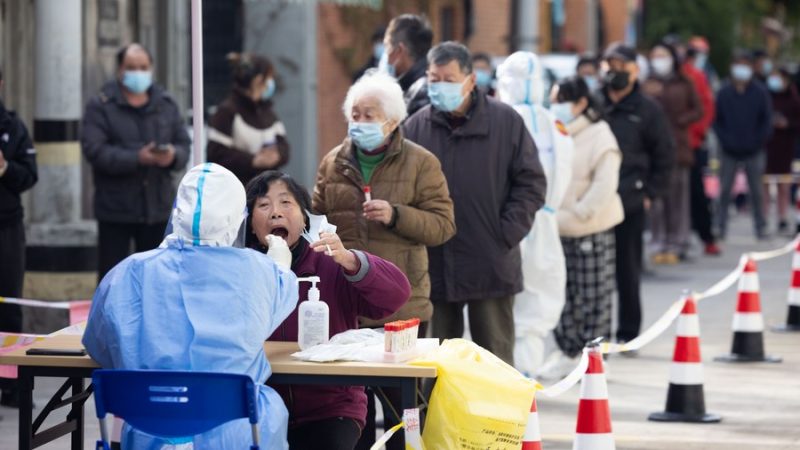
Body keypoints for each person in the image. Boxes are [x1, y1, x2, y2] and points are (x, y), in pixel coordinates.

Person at [83, 163, 298, 449]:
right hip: (237, 434)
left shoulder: (127, 273)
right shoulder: (260, 272)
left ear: (176, 212)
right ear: (237, 219)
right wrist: (281, 266)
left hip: (151, 432)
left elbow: (101, 349)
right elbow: (280, 300)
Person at [312, 71, 455, 449]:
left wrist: (397, 215)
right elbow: (315, 219)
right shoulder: (333, 163)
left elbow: (444, 226)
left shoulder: (421, 163)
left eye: (369, 115)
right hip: (348, 308)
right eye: (354, 114)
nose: (359, 123)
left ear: (392, 121)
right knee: (353, 406)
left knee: (401, 411)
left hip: (401, 310)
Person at [403, 41, 547, 365]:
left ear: (470, 80)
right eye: (433, 78)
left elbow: (532, 183)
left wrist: (505, 233)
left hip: (490, 259)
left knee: (494, 358)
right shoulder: (416, 126)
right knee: (435, 362)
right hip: (435, 262)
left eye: (448, 78)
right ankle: (437, 419)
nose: (439, 86)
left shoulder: (505, 121)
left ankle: (498, 418)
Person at [247, 171, 411, 450]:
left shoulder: (330, 262)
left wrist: (350, 260)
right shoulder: (242, 270)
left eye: (286, 203)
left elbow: (397, 295)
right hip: (260, 406)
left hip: (331, 407)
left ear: (305, 218)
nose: (275, 213)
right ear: (250, 225)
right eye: (263, 205)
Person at [536, 76, 624, 379]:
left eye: (561, 99)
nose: (555, 106)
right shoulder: (553, 132)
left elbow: (605, 183)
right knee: (561, 292)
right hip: (555, 228)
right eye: (553, 99)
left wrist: (582, 212)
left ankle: (595, 356)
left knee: (594, 294)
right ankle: (567, 350)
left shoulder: (600, 134)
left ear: (581, 103)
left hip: (590, 226)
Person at [81, 43, 191, 282]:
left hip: (157, 210)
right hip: (116, 211)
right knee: (114, 279)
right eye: (131, 67)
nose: (138, 73)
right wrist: (137, 157)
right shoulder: (101, 106)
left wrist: (172, 156)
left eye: (143, 67)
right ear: (120, 69)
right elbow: (95, 151)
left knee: (157, 280)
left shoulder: (166, 104)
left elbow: (184, 144)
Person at [495, 51, 574, 376]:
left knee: (504, 302)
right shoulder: (555, 124)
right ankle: (527, 369)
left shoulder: (500, 119)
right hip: (544, 221)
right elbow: (566, 170)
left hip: (507, 221)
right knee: (540, 297)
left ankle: (510, 370)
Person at [600, 42, 674, 349]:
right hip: (593, 203)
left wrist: (650, 192)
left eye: (622, 68)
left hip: (630, 200)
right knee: (594, 273)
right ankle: (595, 334)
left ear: (635, 71)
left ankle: (629, 333)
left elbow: (665, 155)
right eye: (610, 67)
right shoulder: (593, 103)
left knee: (626, 271)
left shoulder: (648, 110)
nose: (615, 73)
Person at [643, 42, 704, 264]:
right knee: (657, 198)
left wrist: (682, 121)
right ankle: (658, 241)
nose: (659, 59)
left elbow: (699, 110)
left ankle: (679, 241)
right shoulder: (646, 83)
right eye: (655, 55)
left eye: (663, 55)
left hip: (678, 145)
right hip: (653, 147)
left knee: (678, 196)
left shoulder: (685, 82)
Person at [0, 67, 37, 408]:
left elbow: (29, 175)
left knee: (10, 306)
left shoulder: (13, 128)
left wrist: (4, 169)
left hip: (7, 227)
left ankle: (10, 385)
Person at [713, 50, 773, 240]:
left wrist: (757, 141)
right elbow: (716, 120)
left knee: (756, 191)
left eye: (745, 65)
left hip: (754, 149)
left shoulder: (760, 92)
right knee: (723, 190)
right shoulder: (723, 91)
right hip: (728, 149)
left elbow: (766, 121)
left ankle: (760, 226)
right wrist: (726, 140)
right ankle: (720, 226)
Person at [207, 52, 289, 185]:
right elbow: (216, 153)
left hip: (267, 189)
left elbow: (284, 147)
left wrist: (276, 156)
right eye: (269, 77)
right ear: (258, 80)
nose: (271, 82)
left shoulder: (268, 112)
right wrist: (253, 160)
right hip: (236, 190)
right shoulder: (227, 112)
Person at [684, 38, 720, 256]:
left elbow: (706, 108)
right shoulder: (685, 76)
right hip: (679, 144)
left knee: (696, 193)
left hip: (693, 143)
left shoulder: (700, 76)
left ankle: (706, 237)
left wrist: (698, 132)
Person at [764, 68, 800, 233]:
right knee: (764, 183)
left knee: (783, 185)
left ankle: (782, 217)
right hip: (766, 146)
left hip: (785, 147)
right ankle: (763, 217)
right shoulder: (765, 96)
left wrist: (787, 124)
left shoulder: (793, 99)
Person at [379, 14, 433, 115]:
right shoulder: (415, 87)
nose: (385, 55)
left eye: (386, 46)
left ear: (399, 50)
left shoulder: (420, 95)